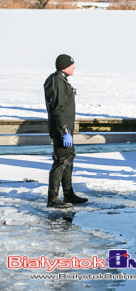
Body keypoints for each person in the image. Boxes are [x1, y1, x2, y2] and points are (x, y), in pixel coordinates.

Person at [44, 54, 88, 208]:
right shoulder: (56, 81)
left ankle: (68, 194)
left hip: (66, 129)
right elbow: (57, 109)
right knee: (61, 161)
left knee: (69, 159)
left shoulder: (62, 81)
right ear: (64, 66)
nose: (74, 67)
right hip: (61, 129)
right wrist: (64, 130)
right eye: (72, 65)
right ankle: (53, 199)